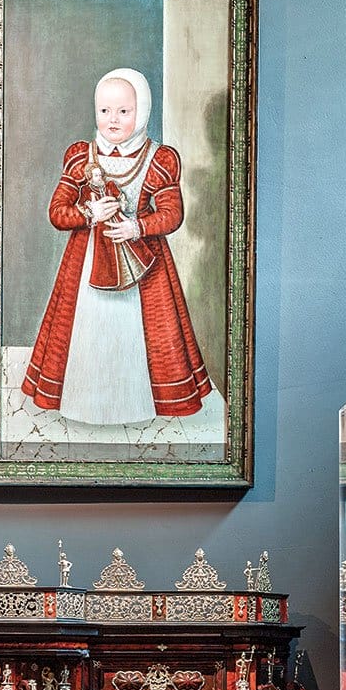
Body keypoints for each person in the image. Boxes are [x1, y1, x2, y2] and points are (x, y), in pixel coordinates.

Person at [21, 68, 216, 427]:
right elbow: (57, 213)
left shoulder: (159, 158)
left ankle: (136, 405)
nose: (113, 120)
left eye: (123, 111)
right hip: (86, 265)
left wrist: (137, 226)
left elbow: (172, 215)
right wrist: (88, 211)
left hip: (144, 268)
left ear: (141, 111)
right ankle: (84, 403)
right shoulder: (81, 156)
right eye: (105, 111)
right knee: (86, 333)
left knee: (145, 335)